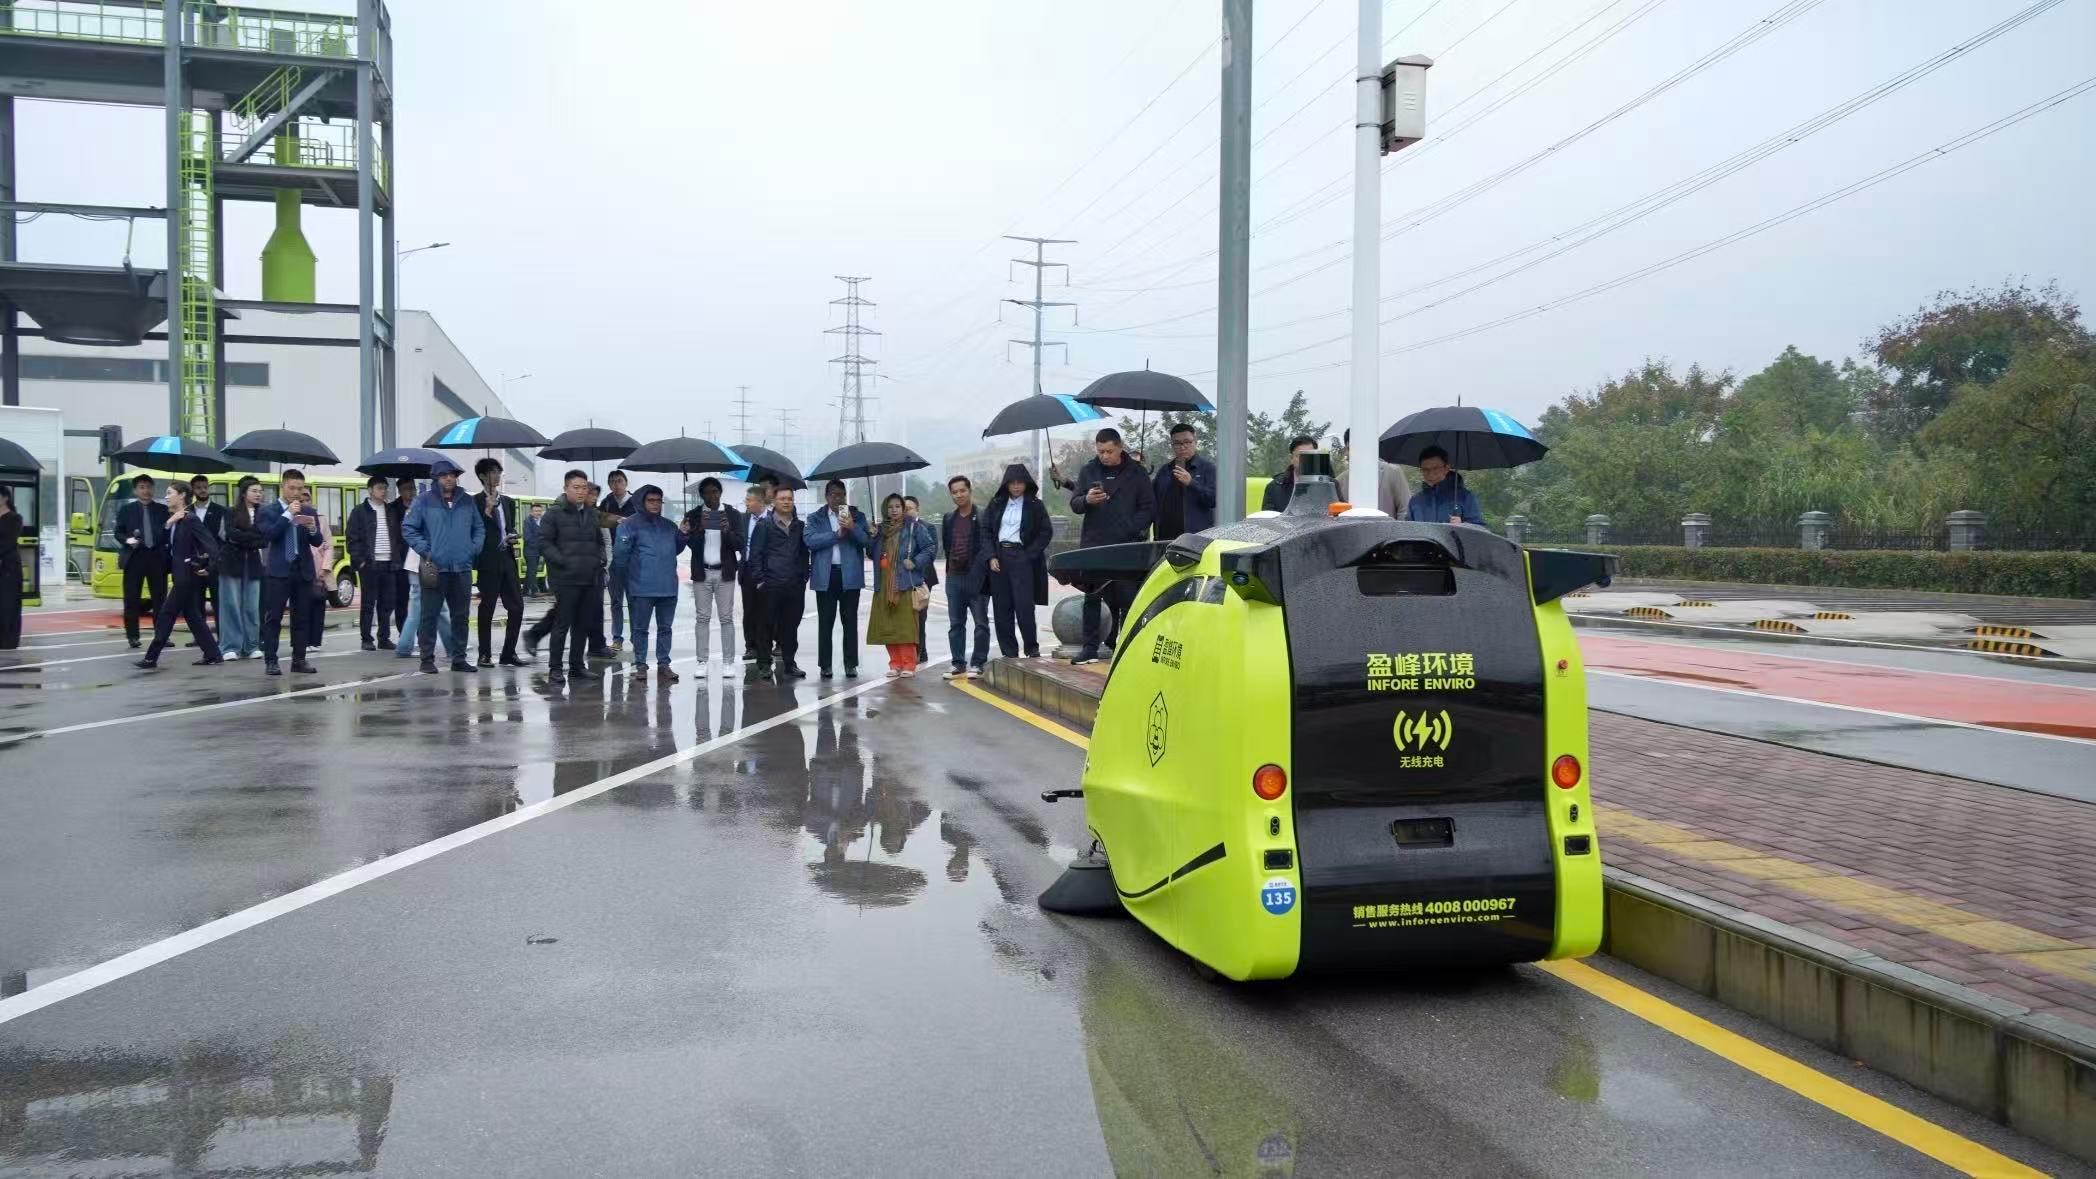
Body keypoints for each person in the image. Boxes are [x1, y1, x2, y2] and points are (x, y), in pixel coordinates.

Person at [1068, 427, 1155, 665]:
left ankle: (1126, 645)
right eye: (1100, 451)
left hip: (1126, 544)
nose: (1105, 456)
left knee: (1127, 597)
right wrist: (1087, 500)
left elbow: (1148, 508)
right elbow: (1074, 503)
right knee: (1092, 597)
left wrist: (1131, 529)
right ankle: (1089, 648)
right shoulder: (1088, 470)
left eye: (1109, 451)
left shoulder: (1137, 473)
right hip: (1094, 543)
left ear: (1120, 446)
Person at [401, 456, 484, 674]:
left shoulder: (467, 500)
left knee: (461, 616)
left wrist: (472, 548)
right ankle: (426, 659)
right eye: (444, 476)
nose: (449, 479)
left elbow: (479, 528)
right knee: (429, 615)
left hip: (462, 568)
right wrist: (427, 551)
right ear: (436, 478)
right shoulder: (424, 501)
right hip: (434, 568)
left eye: (452, 476)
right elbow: (409, 528)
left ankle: (459, 658)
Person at [134, 483, 223, 668]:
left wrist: (211, 566)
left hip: (187, 576)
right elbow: (158, 541)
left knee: (166, 614)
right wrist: (169, 523)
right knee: (193, 616)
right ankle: (213, 653)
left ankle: (151, 657)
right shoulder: (174, 519)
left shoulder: (190, 519)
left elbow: (211, 545)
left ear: (182, 496)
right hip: (178, 574)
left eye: (169, 493)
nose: (166, 497)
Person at [613, 483, 688, 683]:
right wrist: (623, 581)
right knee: (640, 629)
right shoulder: (628, 525)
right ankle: (641, 665)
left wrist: (682, 534)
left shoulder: (669, 525)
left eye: (658, 500)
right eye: (651, 500)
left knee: (665, 627)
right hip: (641, 586)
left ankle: (664, 664)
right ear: (641, 501)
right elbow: (620, 556)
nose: (655, 504)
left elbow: (675, 549)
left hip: (668, 586)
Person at [538, 469, 606, 680]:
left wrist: (599, 559)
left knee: (582, 625)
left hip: (589, 578)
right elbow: (543, 543)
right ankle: (555, 669)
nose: (580, 492)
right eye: (576, 487)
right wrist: (563, 561)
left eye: (584, 488)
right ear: (566, 488)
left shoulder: (591, 514)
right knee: (562, 624)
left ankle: (577, 665)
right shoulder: (553, 514)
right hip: (565, 579)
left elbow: (599, 542)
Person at [257, 469, 321, 676]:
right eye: (292, 488)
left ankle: (299, 660)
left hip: (302, 570)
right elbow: (270, 535)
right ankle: (271, 660)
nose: (296, 492)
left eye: (300, 488)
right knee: (273, 617)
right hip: (279, 570)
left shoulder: (308, 511)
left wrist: (312, 528)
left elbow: (317, 541)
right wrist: (287, 515)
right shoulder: (269, 510)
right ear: (283, 487)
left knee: (301, 617)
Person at [984, 464, 1052, 660]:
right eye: (1012, 483)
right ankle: (1009, 651)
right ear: (1006, 484)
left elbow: (1046, 532)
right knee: (1002, 607)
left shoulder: (1035, 504)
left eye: (1019, 483)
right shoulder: (996, 503)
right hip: (999, 559)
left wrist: (1029, 554)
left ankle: (1031, 648)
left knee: (1024, 606)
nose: (1016, 486)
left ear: (1026, 483)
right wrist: (991, 556)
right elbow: (986, 530)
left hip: (1022, 557)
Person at [805, 478, 871, 679]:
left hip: (849, 575)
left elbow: (866, 541)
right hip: (826, 575)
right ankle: (825, 665)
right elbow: (810, 540)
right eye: (834, 494)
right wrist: (835, 535)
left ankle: (850, 664)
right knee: (826, 622)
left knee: (850, 621)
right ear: (826, 497)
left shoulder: (856, 515)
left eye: (841, 494)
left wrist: (852, 527)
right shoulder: (816, 517)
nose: (838, 498)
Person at [470, 457, 530, 668]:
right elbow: (475, 531)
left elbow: (508, 528)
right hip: (487, 561)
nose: (497, 476)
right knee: (487, 606)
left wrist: (513, 535)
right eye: (492, 472)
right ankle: (484, 654)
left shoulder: (508, 502)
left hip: (507, 558)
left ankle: (508, 652)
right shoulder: (474, 502)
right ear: (482, 476)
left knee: (517, 607)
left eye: (498, 472)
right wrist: (486, 511)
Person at [746, 485, 809, 681]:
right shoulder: (764, 526)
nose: (786, 501)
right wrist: (760, 581)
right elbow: (754, 556)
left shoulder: (800, 527)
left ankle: (789, 663)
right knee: (765, 626)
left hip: (794, 586)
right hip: (770, 586)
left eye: (790, 498)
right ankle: (764, 664)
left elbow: (803, 555)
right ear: (773, 501)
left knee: (791, 627)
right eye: (782, 498)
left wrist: (802, 578)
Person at [866, 493, 930, 678]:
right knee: (888, 626)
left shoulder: (913, 527)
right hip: (884, 584)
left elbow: (929, 548)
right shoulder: (881, 531)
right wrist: (872, 537)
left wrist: (916, 561)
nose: (893, 510)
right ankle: (895, 664)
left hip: (904, 583)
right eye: (890, 507)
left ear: (903, 508)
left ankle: (909, 664)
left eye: (897, 506)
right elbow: (872, 554)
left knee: (905, 626)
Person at [681, 476, 741, 669]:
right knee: (702, 618)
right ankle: (701, 661)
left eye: (714, 491)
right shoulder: (693, 515)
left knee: (726, 618)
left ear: (720, 492)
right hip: (702, 573)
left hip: (725, 573)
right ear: (701, 496)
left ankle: (728, 662)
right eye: (706, 492)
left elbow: (739, 544)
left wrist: (726, 531)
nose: (711, 496)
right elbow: (691, 545)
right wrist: (699, 530)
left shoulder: (732, 514)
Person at [938, 475, 991, 679]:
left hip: (976, 577)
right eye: (954, 492)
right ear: (951, 495)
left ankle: (978, 663)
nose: (959, 494)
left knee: (980, 623)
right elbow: (947, 544)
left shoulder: (983, 515)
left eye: (962, 490)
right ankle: (958, 663)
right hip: (954, 578)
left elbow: (987, 544)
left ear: (970, 491)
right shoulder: (948, 518)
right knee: (956, 624)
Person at [116, 474, 169, 649]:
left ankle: (162, 635)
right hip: (134, 557)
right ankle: (132, 636)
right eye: (142, 487)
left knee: (160, 598)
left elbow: (167, 532)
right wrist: (127, 540)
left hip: (156, 557)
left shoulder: (162, 510)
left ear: (153, 489)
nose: (146, 490)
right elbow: (118, 532)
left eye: (148, 487)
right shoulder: (126, 510)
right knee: (132, 599)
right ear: (135, 490)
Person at [345, 475, 398, 651]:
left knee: (387, 603)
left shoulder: (391, 510)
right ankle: (366, 638)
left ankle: (384, 637)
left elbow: (398, 536)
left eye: (385, 488)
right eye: (380, 488)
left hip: (389, 562)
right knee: (368, 602)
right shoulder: (360, 511)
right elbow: (352, 538)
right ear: (370, 490)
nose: (384, 491)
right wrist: (359, 561)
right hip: (369, 563)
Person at [217, 477, 266, 659]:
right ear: (244, 493)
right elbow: (230, 534)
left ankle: (251, 645)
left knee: (252, 606)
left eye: (260, 491)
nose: (258, 494)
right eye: (254, 491)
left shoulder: (264, 513)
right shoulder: (231, 511)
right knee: (231, 604)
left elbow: (264, 538)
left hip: (253, 562)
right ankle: (230, 646)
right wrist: (251, 537)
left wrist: (246, 538)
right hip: (231, 562)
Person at [393, 542, 460, 663]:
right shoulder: (433, 523)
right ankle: (452, 648)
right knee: (440, 609)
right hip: (429, 566)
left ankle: (404, 647)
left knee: (416, 610)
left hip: (416, 565)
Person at [1152, 422, 1218, 538]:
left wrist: (1191, 483)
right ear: (1172, 445)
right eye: (1177, 443)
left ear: (1195, 442)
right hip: (1164, 537)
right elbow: (1154, 501)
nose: (1182, 447)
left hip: (1195, 537)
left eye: (1187, 442)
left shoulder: (1207, 468)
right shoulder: (1165, 470)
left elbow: (1213, 500)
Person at [598, 469, 639, 652]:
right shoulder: (606, 503)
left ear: (626, 483)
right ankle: (617, 638)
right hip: (613, 559)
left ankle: (637, 636)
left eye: (620, 481)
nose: (617, 484)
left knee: (633, 600)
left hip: (632, 559)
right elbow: (599, 524)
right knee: (615, 601)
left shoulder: (636, 502)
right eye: (613, 481)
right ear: (609, 484)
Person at [1405, 444, 1488, 529]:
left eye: (1435, 468)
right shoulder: (1415, 501)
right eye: (1425, 470)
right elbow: (1407, 530)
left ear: (1446, 468)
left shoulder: (1465, 497)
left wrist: (1463, 525)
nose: (1431, 474)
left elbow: (1480, 529)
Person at [1341, 429, 1415, 517]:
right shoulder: (1340, 481)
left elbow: (1405, 510)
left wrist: (1395, 530)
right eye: (1350, 448)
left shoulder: (1392, 472)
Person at [737, 483, 770, 663]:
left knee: (766, 611)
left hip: (766, 572)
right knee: (749, 610)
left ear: (760, 501)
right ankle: (751, 647)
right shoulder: (743, 520)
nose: (746, 504)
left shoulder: (772, 519)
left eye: (749, 500)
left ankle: (766, 645)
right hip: (747, 569)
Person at [187, 474, 225, 628]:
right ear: (193, 490)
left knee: (218, 601)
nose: (202, 490)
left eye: (205, 487)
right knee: (196, 601)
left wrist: (216, 560)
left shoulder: (220, 510)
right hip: (195, 563)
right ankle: (200, 636)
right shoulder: (187, 511)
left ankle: (222, 635)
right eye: (198, 488)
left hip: (215, 563)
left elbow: (223, 539)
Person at [903, 495, 937, 663]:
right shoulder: (899, 528)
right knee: (907, 619)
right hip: (904, 579)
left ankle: (919, 652)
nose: (906, 511)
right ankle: (914, 653)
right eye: (904, 508)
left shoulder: (927, 527)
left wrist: (915, 562)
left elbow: (931, 552)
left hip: (922, 578)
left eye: (909, 508)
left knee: (919, 617)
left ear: (917, 509)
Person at [301, 488, 335, 651]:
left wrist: (325, 568)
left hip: (320, 570)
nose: (305, 503)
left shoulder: (321, 520)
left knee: (318, 606)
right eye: (301, 500)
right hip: (302, 569)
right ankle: (304, 640)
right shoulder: (293, 519)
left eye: (307, 499)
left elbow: (328, 545)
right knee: (303, 607)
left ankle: (316, 641)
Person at [1260, 435, 1322, 513]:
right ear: (1291, 458)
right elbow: (1267, 520)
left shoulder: (1330, 485)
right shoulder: (1274, 488)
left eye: (1310, 455)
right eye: (1300, 456)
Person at [391, 476, 417, 630]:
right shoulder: (393, 509)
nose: (411, 492)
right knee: (401, 598)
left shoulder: (421, 505)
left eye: (413, 488)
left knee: (420, 599)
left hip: (418, 556)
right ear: (400, 491)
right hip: (401, 559)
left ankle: (421, 635)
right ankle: (403, 632)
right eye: (407, 488)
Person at [0, 486, 20, 650]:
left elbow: (10, 542)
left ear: (5, 497)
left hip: (9, 564)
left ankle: (8, 640)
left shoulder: (15, 518)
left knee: (8, 602)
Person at [523, 502, 547, 595]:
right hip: (530, 550)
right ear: (531, 512)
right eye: (536, 511)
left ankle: (524, 591)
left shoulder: (542, 521)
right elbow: (527, 538)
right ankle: (534, 590)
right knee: (532, 571)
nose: (538, 513)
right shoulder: (528, 521)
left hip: (539, 550)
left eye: (540, 511)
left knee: (530, 570)